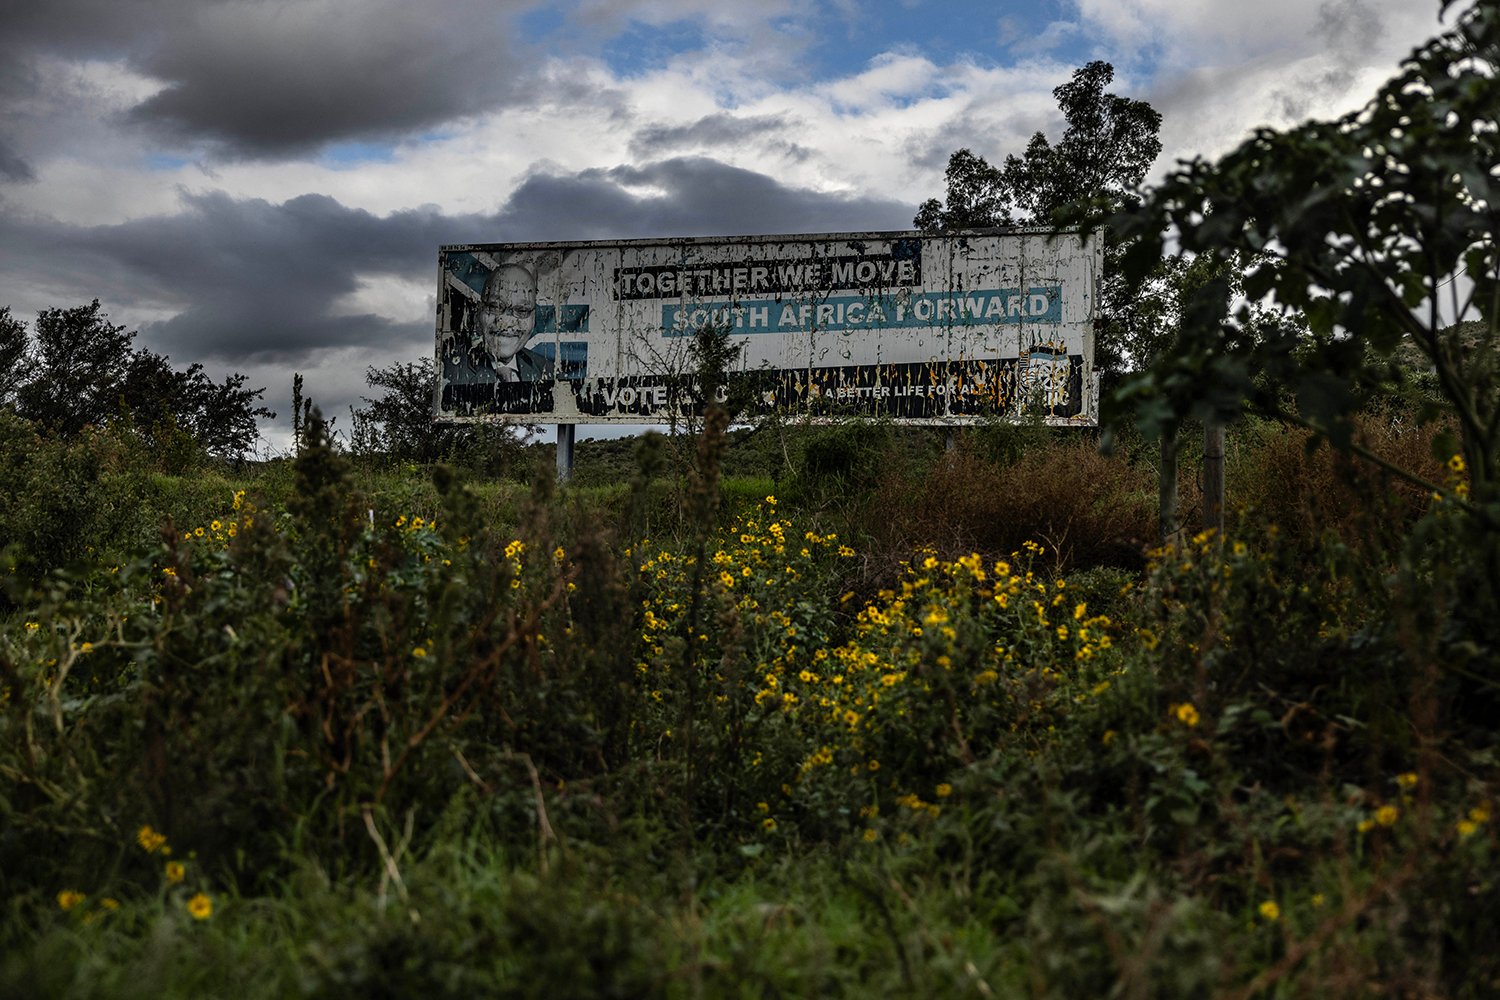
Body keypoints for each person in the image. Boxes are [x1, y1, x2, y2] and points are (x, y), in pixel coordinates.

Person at [441, 261, 555, 414]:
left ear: (533, 318)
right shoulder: (448, 370)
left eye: (522, 310)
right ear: (479, 313)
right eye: (495, 307)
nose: (506, 322)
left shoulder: (547, 369)